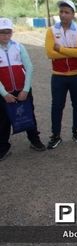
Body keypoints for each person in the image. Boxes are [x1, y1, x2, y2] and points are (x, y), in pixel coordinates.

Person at [0, 18, 45, 160]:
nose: (6, 36)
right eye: (2, 33)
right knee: (3, 120)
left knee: (28, 115)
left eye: (8, 32)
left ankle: (34, 140)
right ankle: (3, 146)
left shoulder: (19, 46)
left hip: (22, 89)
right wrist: (4, 93)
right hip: (4, 92)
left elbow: (29, 67)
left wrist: (25, 90)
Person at [45, 0, 77, 149]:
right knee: (57, 105)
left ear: (73, 14)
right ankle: (55, 135)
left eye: (67, 12)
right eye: (61, 12)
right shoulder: (51, 30)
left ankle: (76, 132)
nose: (63, 15)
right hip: (58, 75)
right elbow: (50, 53)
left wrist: (60, 49)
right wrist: (71, 52)